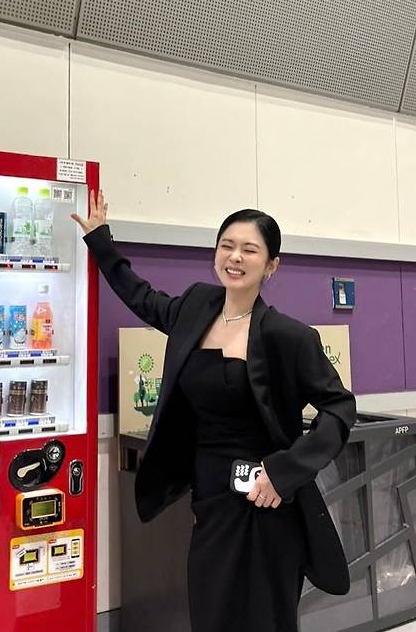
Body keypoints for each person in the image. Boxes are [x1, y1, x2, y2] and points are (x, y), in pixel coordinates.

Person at [72, 190, 356, 632]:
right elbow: (142, 297)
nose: (235, 257)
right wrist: (100, 240)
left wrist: (284, 471)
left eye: (249, 249)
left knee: (264, 616)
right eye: (227, 245)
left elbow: (339, 408)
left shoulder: (288, 336)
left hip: (265, 497)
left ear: (272, 265)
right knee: (212, 613)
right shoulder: (195, 307)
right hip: (210, 497)